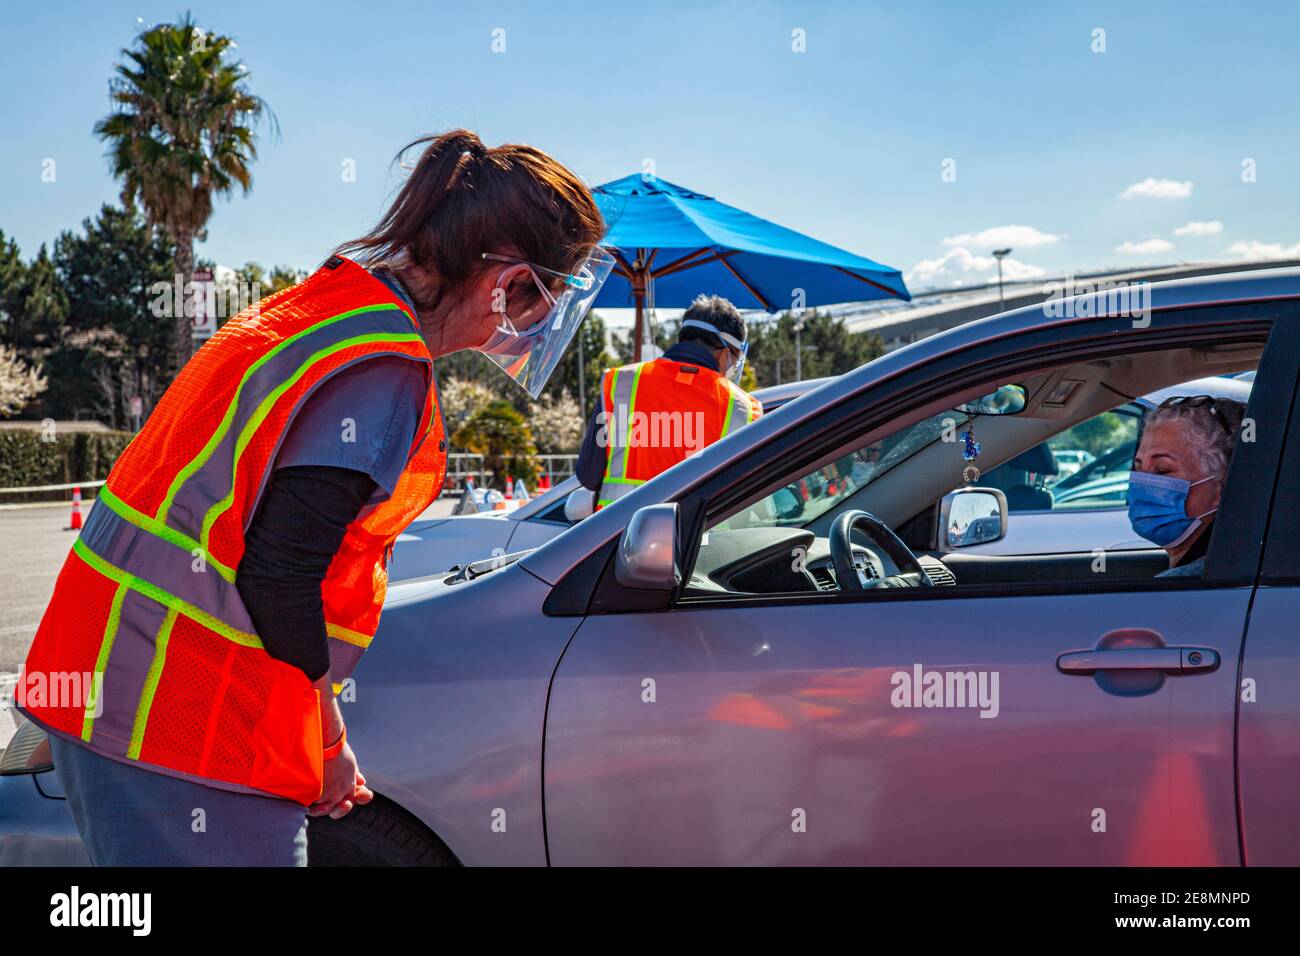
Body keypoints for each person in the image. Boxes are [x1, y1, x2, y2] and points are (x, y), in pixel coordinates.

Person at [17, 129, 609, 866]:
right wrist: (326, 742)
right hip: (181, 722)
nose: (539, 323)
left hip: (112, 692)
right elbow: (280, 575)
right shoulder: (384, 367)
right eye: (548, 297)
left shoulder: (324, 312)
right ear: (510, 283)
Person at [576, 294, 763, 509]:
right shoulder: (744, 408)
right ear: (724, 354)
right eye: (736, 359)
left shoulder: (620, 382)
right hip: (700, 540)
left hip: (618, 535)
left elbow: (588, 475)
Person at [1128, 395, 1247, 578]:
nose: (1144, 483)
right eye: (1138, 467)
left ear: (1222, 487)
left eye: (1162, 470)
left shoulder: (1181, 585)